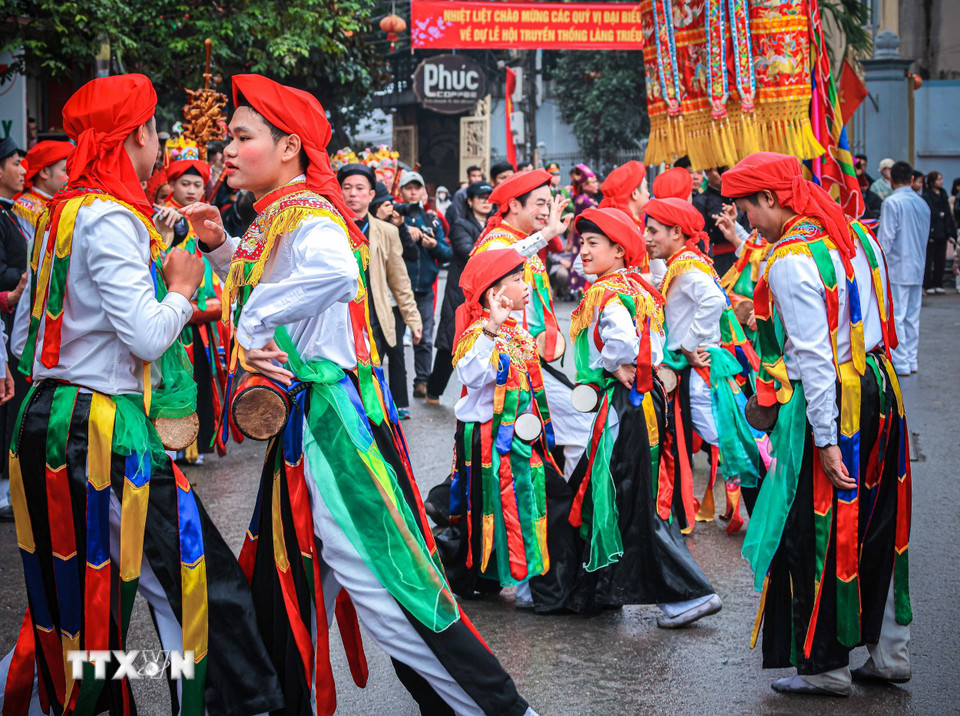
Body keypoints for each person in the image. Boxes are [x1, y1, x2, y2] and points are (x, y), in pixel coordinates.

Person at [182, 74, 535, 715]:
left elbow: (336, 275)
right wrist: (221, 247)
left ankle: (501, 709)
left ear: (289, 146)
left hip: (331, 427)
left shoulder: (309, 213)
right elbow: (284, 278)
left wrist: (256, 319)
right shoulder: (287, 213)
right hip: (311, 425)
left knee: (387, 585)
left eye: (242, 136)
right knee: (288, 577)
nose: (227, 151)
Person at [0, 73, 283, 715]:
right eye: (154, 129)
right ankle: (238, 701)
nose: (160, 143)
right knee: (194, 576)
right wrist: (182, 291)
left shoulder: (57, 214)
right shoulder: (111, 219)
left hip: (48, 420)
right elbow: (149, 337)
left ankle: (57, 694)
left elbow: (24, 330)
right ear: (136, 137)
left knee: (79, 588)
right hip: (101, 430)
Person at [723, 151, 911, 698]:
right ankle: (890, 653)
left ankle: (825, 663)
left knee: (819, 530)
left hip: (835, 402)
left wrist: (826, 440)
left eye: (746, 209)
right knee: (882, 520)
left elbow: (814, 358)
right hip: (879, 387)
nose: (747, 222)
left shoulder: (791, 260)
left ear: (770, 199)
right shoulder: (854, 234)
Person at [532, 206, 721, 624]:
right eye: (582, 243)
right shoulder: (638, 285)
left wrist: (614, 363)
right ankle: (594, 588)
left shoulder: (608, 293)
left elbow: (620, 341)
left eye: (593, 244)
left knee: (628, 499)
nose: (583, 251)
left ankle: (686, 594)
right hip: (642, 400)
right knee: (615, 494)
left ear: (618, 251)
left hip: (625, 404)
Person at [437, 248, 554, 606]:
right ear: (493, 293)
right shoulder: (479, 333)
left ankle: (518, 575)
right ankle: (521, 581)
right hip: (491, 439)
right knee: (504, 506)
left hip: (517, 436)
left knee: (522, 502)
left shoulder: (515, 332)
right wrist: (491, 327)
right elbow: (471, 375)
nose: (526, 285)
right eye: (517, 280)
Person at [645, 197, 767, 533]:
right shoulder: (684, 261)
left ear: (676, 232)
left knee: (730, 442)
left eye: (654, 231)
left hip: (700, 370)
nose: (648, 236)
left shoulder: (686, 267)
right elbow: (662, 290)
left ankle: (766, 512)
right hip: (697, 368)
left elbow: (714, 300)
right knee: (728, 441)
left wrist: (687, 344)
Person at [470, 170, 593, 476]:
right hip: (509, 363)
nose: (547, 212)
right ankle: (574, 510)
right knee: (574, 425)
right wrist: (546, 235)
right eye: (539, 203)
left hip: (530, 360)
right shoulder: (496, 242)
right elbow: (496, 264)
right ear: (514, 205)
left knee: (522, 440)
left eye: (550, 204)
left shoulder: (521, 241)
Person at [157, 156, 232, 462]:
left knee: (202, 376)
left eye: (197, 184)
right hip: (173, 313)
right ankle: (171, 440)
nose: (190, 190)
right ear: (171, 186)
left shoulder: (208, 219)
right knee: (173, 378)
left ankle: (197, 444)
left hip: (205, 321)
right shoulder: (164, 219)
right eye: (184, 184)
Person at [339, 163, 422, 421]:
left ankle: (377, 417)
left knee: (375, 367)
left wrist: (413, 319)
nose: (353, 193)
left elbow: (399, 280)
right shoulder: (328, 228)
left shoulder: (386, 232)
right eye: (347, 187)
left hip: (373, 313)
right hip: (339, 315)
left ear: (371, 195)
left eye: (360, 188)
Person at [427, 180, 492, 403]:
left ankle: (480, 397)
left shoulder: (496, 224)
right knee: (450, 343)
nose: (485, 201)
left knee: (486, 341)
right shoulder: (461, 225)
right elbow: (467, 251)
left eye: (488, 197)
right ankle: (433, 390)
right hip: (461, 292)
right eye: (480, 197)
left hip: (487, 292)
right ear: (470, 201)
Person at [397, 170, 453, 399]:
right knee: (394, 340)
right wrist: (402, 231)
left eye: (416, 187)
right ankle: (392, 387)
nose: (413, 192)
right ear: (401, 191)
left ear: (422, 191)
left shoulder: (432, 219)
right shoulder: (394, 216)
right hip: (399, 289)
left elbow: (447, 253)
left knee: (425, 338)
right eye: (408, 188)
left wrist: (432, 245)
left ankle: (421, 381)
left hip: (425, 288)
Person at [876, 160, 931, 375]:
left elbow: (886, 240)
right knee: (911, 316)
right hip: (918, 264)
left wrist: (878, 266)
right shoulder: (922, 203)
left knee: (896, 315)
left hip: (898, 266)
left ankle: (901, 362)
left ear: (891, 179)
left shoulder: (892, 203)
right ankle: (911, 359)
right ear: (910, 179)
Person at [692, 166, 750, 275]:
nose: (725, 175)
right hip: (718, 262)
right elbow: (700, 238)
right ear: (707, 172)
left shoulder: (738, 198)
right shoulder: (700, 201)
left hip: (744, 255)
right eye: (720, 171)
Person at [11, 140, 73, 237]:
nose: (72, 177)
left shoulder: (62, 203)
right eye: (66, 170)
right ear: (44, 172)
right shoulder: (25, 208)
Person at [921, 170, 957, 294]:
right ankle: (928, 284)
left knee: (940, 260)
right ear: (932, 182)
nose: (941, 181)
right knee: (929, 260)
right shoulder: (927, 195)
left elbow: (947, 214)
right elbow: (929, 213)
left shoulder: (943, 194)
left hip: (942, 231)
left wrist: (949, 232)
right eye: (938, 179)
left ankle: (938, 283)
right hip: (932, 230)